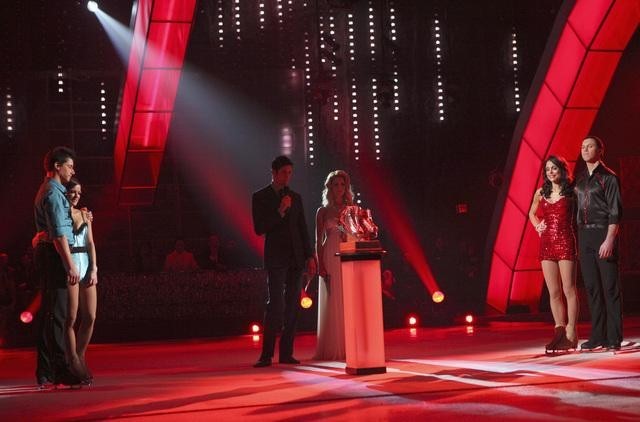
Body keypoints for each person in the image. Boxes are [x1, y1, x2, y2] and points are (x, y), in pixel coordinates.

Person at [251, 155, 316, 367]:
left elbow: (302, 228)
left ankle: (287, 353)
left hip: (296, 257)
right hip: (276, 257)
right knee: (275, 305)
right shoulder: (260, 196)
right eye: (283, 172)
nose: (287, 176)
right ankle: (266, 354)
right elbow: (259, 228)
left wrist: (309, 255)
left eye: (290, 172)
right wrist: (279, 211)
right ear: (274, 172)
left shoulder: (295, 197)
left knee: (292, 306)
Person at [33, 146, 82, 386]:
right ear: (57, 166)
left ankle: (47, 371)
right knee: (57, 315)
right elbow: (59, 236)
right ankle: (59, 370)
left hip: (50, 253)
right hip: (54, 255)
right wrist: (70, 265)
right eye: (69, 165)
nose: (73, 170)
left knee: (52, 314)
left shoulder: (52, 190)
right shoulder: (52, 193)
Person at [575, 136, 623, 351]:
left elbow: (615, 212)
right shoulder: (580, 179)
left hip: (603, 234)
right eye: (583, 146)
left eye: (590, 145)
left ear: (600, 150)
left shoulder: (609, 178)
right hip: (584, 237)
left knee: (609, 288)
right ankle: (597, 336)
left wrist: (609, 239)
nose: (585, 149)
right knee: (592, 288)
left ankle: (613, 337)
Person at [529, 155, 579, 351]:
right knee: (554, 292)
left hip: (566, 240)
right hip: (547, 243)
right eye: (548, 169)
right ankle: (558, 332)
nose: (550, 172)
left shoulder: (572, 191)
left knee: (569, 290)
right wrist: (537, 226)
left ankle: (571, 333)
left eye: (554, 168)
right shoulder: (541, 192)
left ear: (562, 170)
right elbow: (532, 212)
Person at [313, 170, 353, 360]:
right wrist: (320, 264)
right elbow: (318, 240)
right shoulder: (322, 211)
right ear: (329, 187)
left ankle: (350, 345)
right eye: (335, 184)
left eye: (342, 185)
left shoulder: (351, 208)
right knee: (333, 298)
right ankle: (332, 347)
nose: (339, 188)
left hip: (347, 252)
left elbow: (357, 234)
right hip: (330, 254)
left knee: (348, 299)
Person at [64, 178, 97, 383]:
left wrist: (94, 267)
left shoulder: (85, 214)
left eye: (79, 192)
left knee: (91, 316)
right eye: (73, 192)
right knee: (71, 317)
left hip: (86, 263)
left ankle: (80, 354)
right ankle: (73, 361)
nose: (77, 196)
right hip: (71, 266)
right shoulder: (60, 215)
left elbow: (91, 242)